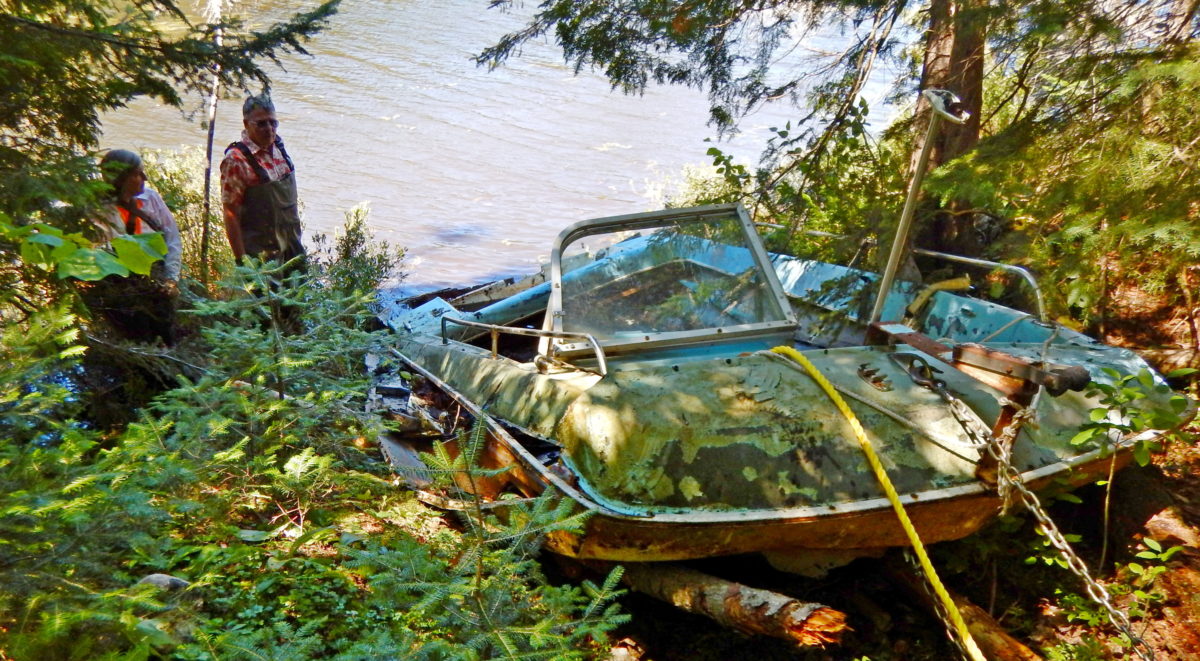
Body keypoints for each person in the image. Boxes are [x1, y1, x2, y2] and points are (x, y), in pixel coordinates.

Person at [85, 149, 183, 345]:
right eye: (138, 173)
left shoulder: (151, 198)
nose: (144, 177)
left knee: (165, 335)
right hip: (120, 286)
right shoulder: (97, 209)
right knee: (135, 338)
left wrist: (171, 278)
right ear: (120, 179)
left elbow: (172, 238)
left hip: (157, 279)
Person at [220, 94, 306, 266]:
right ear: (246, 124)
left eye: (273, 122)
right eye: (261, 123)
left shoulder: (278, 147)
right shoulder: (236, 160)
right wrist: (242, 262)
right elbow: (231, 215)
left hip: (292, 249)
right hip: (261, 258)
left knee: (299, 291)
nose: (269, 128)